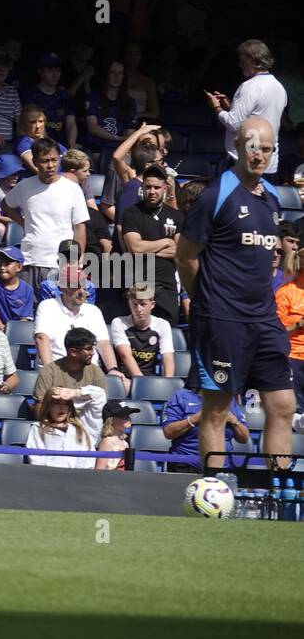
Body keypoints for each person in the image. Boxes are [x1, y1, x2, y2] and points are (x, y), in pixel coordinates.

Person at [176, 117, 297, 471]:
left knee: (283, 405)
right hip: (221, 319)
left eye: (267, 148)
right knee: (218, 408)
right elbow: (184, 256)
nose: (259, 155)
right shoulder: (216, 195)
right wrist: (206, 298)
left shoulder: (273, 197)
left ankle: (278, 493)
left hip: (264, 318)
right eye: (253, 146)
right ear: (238, 146)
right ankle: (213, 492)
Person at [2, 138, 88, 288]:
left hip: (61, 264)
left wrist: (76, 260)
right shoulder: (24, 186)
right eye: (45, 161)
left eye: (54, 160)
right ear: (35, 162)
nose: (50, 165)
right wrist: (23, 223)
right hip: (30, 260)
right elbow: (6, 205)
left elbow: (79, 227)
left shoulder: (72, 189)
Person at [207, 40, 288, 175]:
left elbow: (233, 123)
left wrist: (216, 108)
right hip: (268, 163)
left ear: (252, 59)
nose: (239, 65)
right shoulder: (279, 87)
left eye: (242, 60)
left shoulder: (250, 86)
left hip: (245, 163)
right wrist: (232, 106)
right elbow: (258, 115)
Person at [119, 165, 184, 323]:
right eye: (148, 187)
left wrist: (148, 248)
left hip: (167, 287)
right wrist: (166, 242)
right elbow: (135, 247)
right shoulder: (131, 213)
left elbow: (180, 252)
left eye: (156, 187)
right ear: (142, 187)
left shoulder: (176, 216)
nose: (152, 191)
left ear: (165, 188)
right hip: (139, 284)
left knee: (168, 333)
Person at [33, 266, 118, 375]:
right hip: (57, 370)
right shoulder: (47, 306)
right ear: (61, 287)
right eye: (76, 286)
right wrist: (51, 372)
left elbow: (103, 343)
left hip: (89, 373)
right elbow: (41, 339)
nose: (81, 291)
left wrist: (113, 369)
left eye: (84, 286)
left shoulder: (93, 311)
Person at [161, 386, 251, 472]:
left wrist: (233, 421)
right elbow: (168, 432)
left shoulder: (228, 399)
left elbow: (244, 438)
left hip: (223, 466)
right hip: (186, 464)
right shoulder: (181, 396)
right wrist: (196, 418)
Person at [31, 326, 106, 420]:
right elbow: (40, 408)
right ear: (73, 352)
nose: (92, 353)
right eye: (88, 349)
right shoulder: (49, 372)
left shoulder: (96, 372)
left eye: (93, 348)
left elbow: (102, 405)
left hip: (86, 427)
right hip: (55, 427)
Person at [110, 285, 175, 378]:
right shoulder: (119, 322)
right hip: (125, 376)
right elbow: (125, 356)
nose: (138, 309)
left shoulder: (162, 325)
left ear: (152, 305)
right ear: (129, 304)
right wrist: (141, 383)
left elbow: (167, 357)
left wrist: (169, 382)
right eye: (134, 304)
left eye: (143, 304)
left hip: (150, 377)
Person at [25, 392, 97, 468]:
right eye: (57, 403)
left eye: (66, 404)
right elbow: (36, 458)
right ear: (48, 407)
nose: (61, 407)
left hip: (76, 476)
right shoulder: (38, 428)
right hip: (49, 475)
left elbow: (87, 455)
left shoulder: (79, 429)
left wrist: (78, 474)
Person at [0, 246, 34, 329]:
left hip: (17, 330)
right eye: (0, 263)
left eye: (7, 264)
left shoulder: (27, 289)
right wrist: (1, 328)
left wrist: (12, 333)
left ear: (19, 267)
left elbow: (24, 319)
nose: (2, 267)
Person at [276, 273, 304, 413]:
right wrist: (300, 323)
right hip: (293, 357)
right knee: (294, 410)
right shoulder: (285, 292)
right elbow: (277, 333)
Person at [96, 400, 139, 472]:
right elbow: (99, 471)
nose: (127, 418)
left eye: (127, 415)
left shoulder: (125, 443)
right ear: (111, 420)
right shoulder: (107, 442)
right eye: (122, 416)